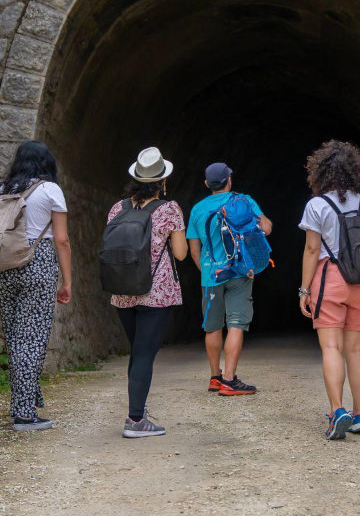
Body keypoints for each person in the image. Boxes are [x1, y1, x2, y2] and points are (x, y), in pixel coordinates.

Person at [297, 140, 360, 440]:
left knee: (331, 348)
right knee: (356, 349)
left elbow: (311, 249)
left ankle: (337, 410)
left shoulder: (317, 205)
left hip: (330, 279)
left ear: (321, 173)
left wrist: (304, 290)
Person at [0, 141, 73, 431]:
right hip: (37, 264)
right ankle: (25, 414)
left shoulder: (2, 191)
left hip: (4, 266)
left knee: (15, 338)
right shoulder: (50, 190)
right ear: (47, 163)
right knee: (32, 339)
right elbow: (61, 240)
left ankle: (23, 402)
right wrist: (67, 280)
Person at [107, 147, 188, 438]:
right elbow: (180, 254)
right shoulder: (169, 209)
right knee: (143, 354)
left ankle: (136, 411)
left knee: (137, 352)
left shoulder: (117, 209)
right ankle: (136, 420)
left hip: (123, 291)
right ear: (162, 181)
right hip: (156, 291)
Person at [186, 163, 271, 396]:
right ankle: (229, 380)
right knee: (236, 324)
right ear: (229, 180)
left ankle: (215, 377)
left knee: (212, 327)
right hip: (240, 273)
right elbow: (267, 227)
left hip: (211, 276)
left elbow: (194, 249)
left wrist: (205, 270)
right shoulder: (244, 201)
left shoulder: (197, 209)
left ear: (206, 184)